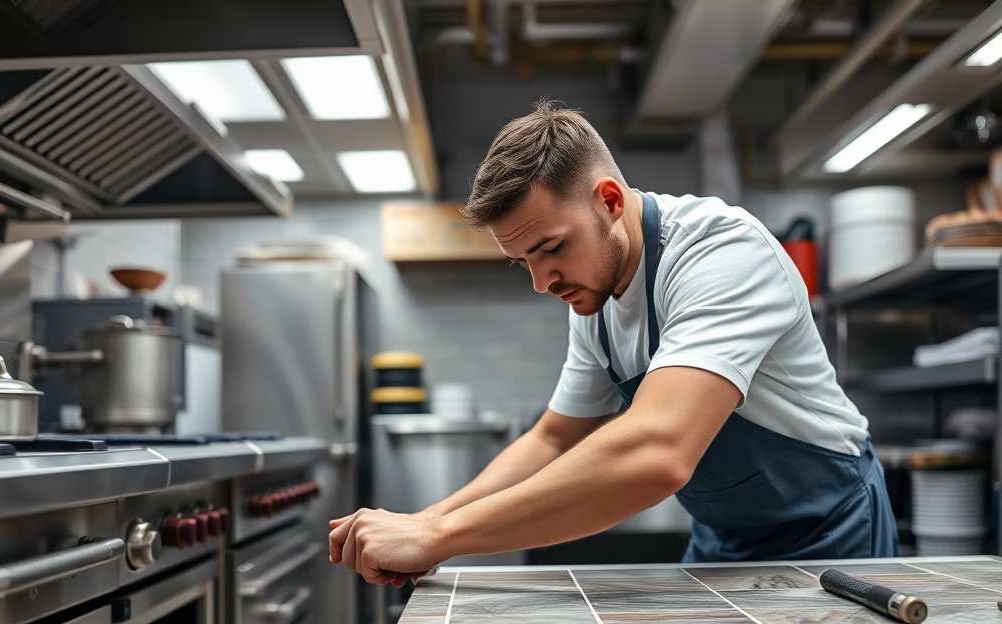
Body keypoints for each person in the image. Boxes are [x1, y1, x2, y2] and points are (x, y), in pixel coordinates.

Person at [329, 100, 898, 586]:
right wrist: (426, 520)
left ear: (609, 201)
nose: (541, 282)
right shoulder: (594, 297)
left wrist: (439, 537)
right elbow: (553, 437)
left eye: (551, 248)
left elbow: (658, 452)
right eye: (522, 262)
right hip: (721, 540)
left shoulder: (720, 254)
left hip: (829, 534)